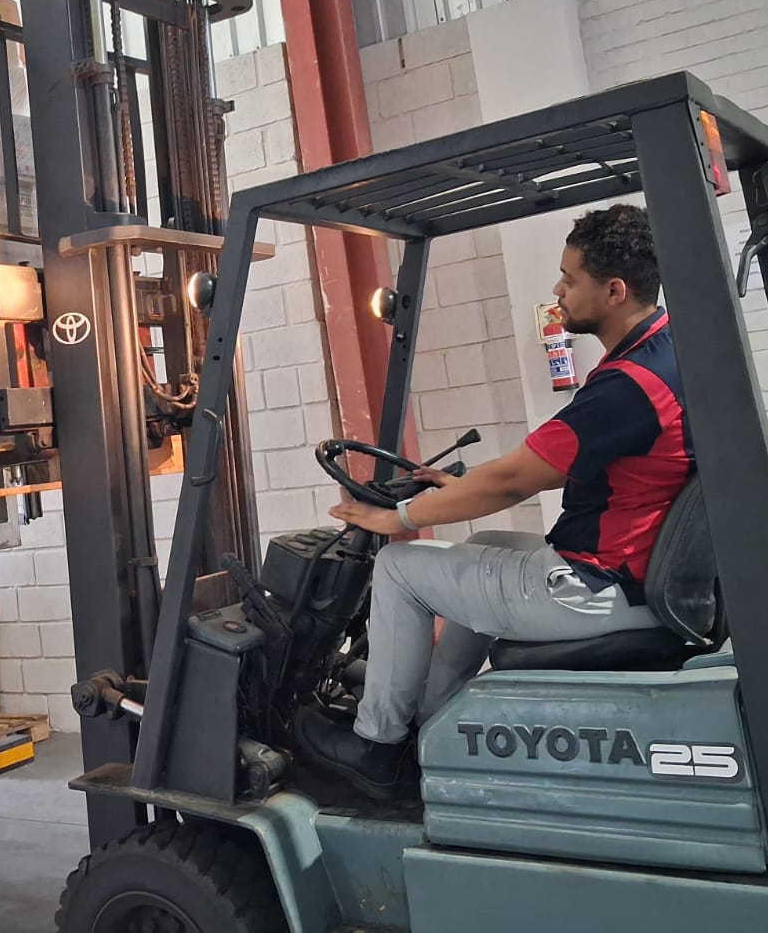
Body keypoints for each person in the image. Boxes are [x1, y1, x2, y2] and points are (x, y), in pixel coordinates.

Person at [296, 204, 692, 799]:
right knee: (483, 545)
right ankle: (431, 725)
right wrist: (456, 489)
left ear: (614, 291)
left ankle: (375, 747)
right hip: (636, 574)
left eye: (570, 278)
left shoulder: (629, 387)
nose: (558, 288)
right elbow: (553, 467)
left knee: (400, 566)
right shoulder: (662, 355)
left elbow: (515, 481)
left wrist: (395, 517)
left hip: (601, 588)